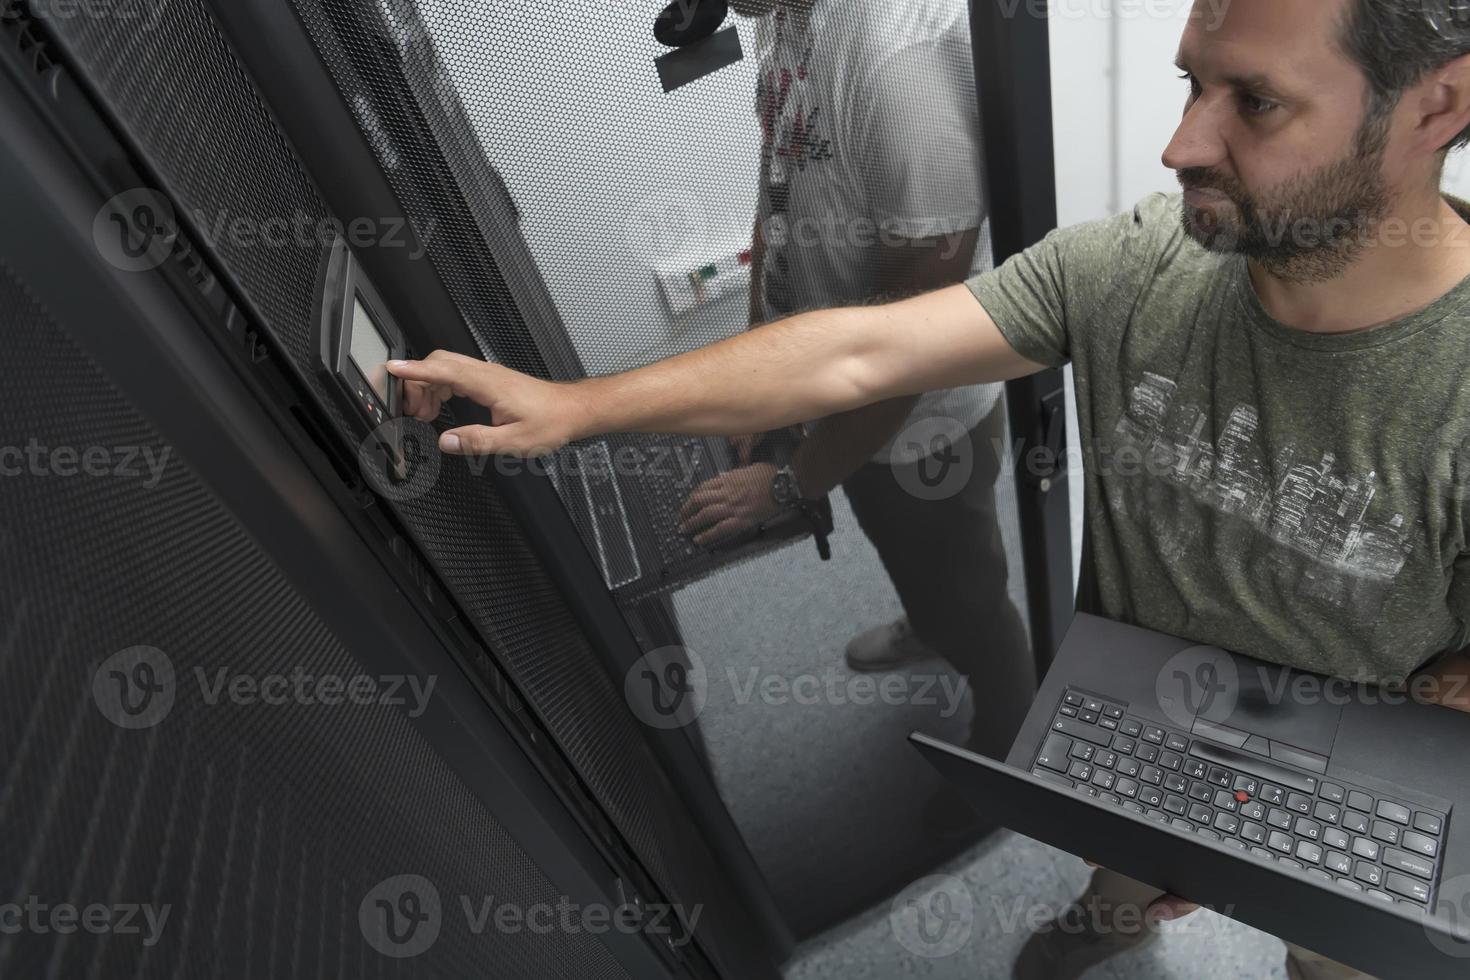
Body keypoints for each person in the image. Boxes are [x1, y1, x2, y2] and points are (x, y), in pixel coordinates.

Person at [388, 0, 1470, 976]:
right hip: (1136, 727)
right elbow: (862, 353)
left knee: (1337, 961)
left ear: (1438, 105)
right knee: (1116, 873)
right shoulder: (1140, 267)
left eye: (1259, 103)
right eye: (1193, 82)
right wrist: (578, 407)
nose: (1182, 144)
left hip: (1347, 790)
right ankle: (1112, 919)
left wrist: (1284, 805)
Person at [672, 0, 1033, 778]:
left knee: (973, 601)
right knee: (910, 554)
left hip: (922, 430)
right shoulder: (783, 10)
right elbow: (778, 181)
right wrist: (762, 376)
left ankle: (1009, 751)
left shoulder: (899, 66)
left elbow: (915, 343)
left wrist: (791, 484)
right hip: (845, 402)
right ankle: (931, 621)